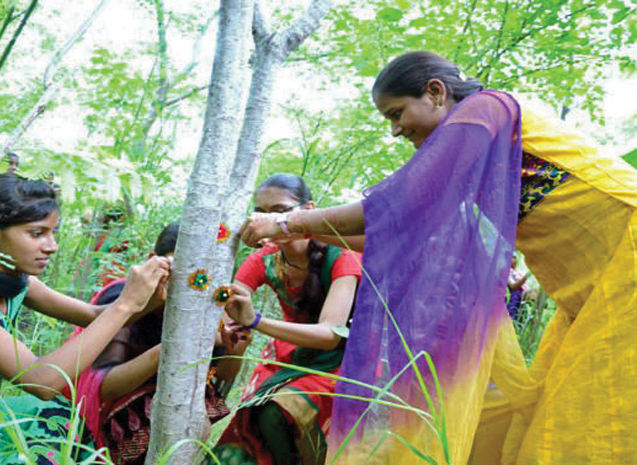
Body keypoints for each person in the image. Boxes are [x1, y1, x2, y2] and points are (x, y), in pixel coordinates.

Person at [237, 51, 637, 464]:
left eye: (397, 113)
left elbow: (402, 198)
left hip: (627, 263)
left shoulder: (486, 107)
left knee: (585, 425)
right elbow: (397, 231)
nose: (395, 131)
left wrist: (291, 223)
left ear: (435, 91)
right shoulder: (471, 156)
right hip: (589, 293)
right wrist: (299, 229)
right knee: (552, 417)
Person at [0, 174, 170, 462]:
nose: (51, 246)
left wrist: (151, 297)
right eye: (37, 234)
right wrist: (124, 305)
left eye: (53, 233)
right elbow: (40, 381)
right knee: (51, 425)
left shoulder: (16, 282)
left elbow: (93, 316)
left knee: (62, 420)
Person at [65, 222, 251, 465]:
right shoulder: (125, 299)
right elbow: (102, 387)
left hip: (173, 407)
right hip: (106, 413)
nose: (190, 288)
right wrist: (170, 349)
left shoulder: (210, 303)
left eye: (203, 279)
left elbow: (222, 373)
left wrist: (236, 350)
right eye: (182, 274)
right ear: (154, 262)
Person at [211, 174, 362, 465]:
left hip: (343, 362)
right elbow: (230, 296)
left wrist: (256, 321)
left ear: (309, 210)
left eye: (279, 211)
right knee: (253, 419)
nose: (268, 220)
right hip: (290, 356)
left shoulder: (343, 255)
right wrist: (213, 292)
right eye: (262, 213)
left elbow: (331, 335)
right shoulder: (265, 259)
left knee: (278, 411)